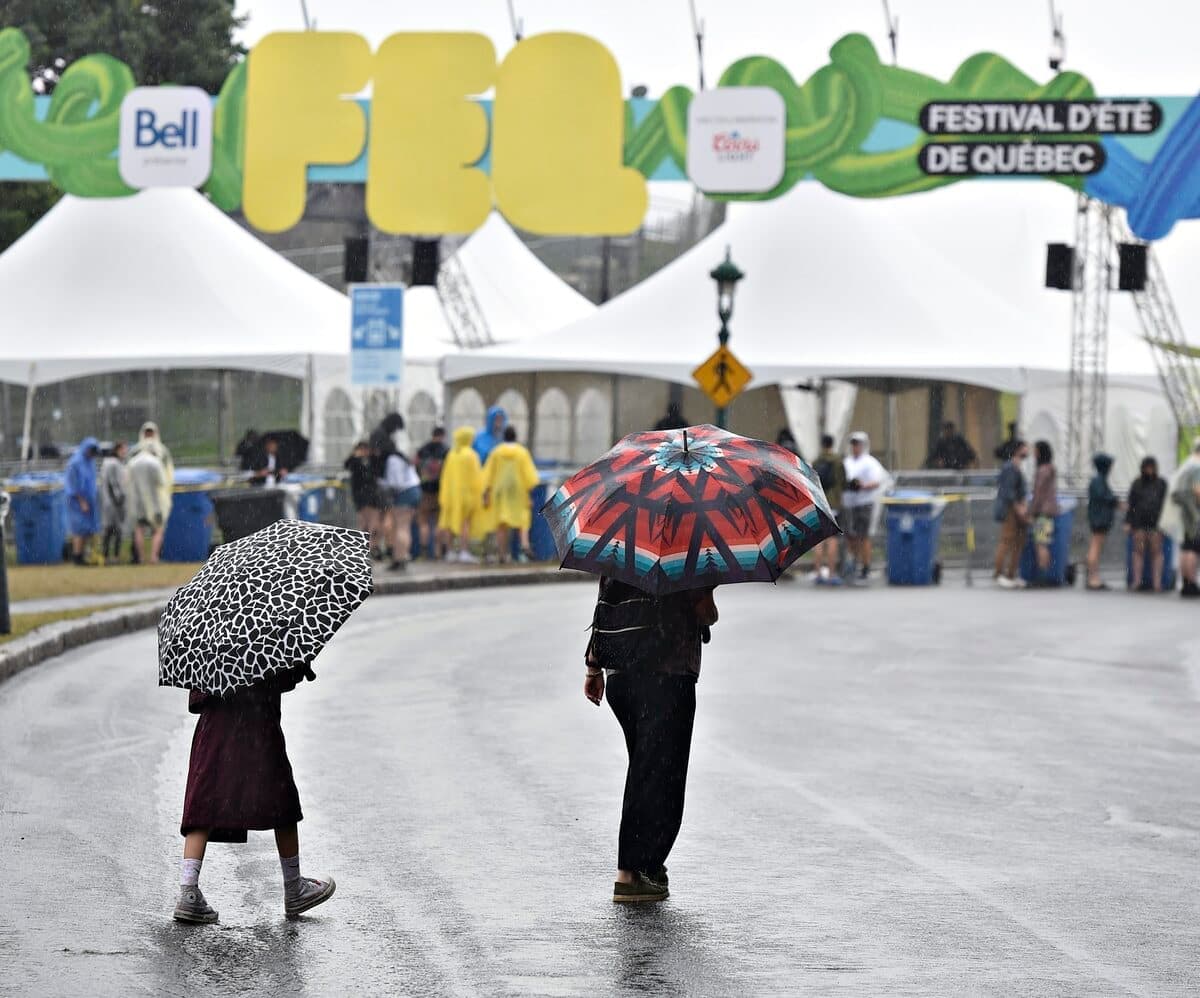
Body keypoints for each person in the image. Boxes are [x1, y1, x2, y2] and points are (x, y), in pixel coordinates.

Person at [583, 578, 719, 903]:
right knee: (662, 775)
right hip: (667, 673)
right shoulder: (689, 552)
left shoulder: (624, 540)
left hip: (621, 677)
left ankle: (647, 865)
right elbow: (703, 611)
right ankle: (632, 872)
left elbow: (605, 604)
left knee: (645, 766)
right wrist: (710, 607)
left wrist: (592, 666)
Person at [174, 665, 335, 924]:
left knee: (202, 807)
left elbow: (196, 699)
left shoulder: (207, 644)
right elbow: (283, 680)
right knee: (281, 802)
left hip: (213, 731)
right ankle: (294, 888)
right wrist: (299, 667)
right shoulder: (263, 641)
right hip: (258, 726)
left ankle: (188, 892)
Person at [481, 426, 540, 563]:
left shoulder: (496, 453)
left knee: (501, 523)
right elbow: (530, 476)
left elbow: (488, 474)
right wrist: (529, 493)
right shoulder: (522, 453)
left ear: (504, 437)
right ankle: (525, 545)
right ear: (515, 437)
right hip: (518, 491)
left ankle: (502, 554)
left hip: (500, 491)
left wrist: (487, 492)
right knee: (522, 520)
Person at [841, 431, 886, 580]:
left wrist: (862, 486)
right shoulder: (847, 462)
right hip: (849, 503)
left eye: (858, 445)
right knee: (850, 535)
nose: (855, 447)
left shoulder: (869, 462)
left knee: (863, 536)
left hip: (864, 503)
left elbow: (877, 482)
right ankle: (853, 562)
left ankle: (865, 566)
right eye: (853, 444)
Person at [438, 426, 483, 563]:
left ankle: (450, 551)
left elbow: (445, 475)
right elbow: (477, 477)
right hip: (467, 495)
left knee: (451, 522)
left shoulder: (452, 454)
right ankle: (463, 551)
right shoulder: (471, 455)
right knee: (465, 523)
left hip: (451, 494)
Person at [1126, 456, 1168, 592]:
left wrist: (1165, 524)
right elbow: (1131, 504)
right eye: (1147, 467)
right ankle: (1137, 581)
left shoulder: (1162, 483)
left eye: (1151, 467)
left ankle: (1157, 583)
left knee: (1156, 552)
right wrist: (1128, 522)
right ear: (1143, 468)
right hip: (1139, 523)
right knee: (1138, 551)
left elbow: (1166, 505)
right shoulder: (1137, 483)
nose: (1149, 470)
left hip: (1156, 524)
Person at [993, 439, 1030, 589]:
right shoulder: (1010, 467)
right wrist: (1018, 507)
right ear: (1017, 450)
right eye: (1024, 447)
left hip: (1017, 507)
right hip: (1011, 509)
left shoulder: (1016, 466)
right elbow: (1008, 491)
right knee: (1007, 540)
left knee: (1018, 542)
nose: (1027, 450)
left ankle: (1011, 573)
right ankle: (999, 573)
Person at [810, 434, 846, 584]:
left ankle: (818, 573)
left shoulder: (816, 461)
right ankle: (831, 574)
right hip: (833, 504)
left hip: (819, 502)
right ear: (832, 444)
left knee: (819, 540)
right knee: (832, 539)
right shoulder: (838, 461)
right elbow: (843, 481)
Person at [129, 442, 170, 565]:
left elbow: (127, 481)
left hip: (137, 503)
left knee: (139, 529)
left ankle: (141, 558)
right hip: (153, 502)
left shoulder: (133, 462)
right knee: (158, 529)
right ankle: (153, 557)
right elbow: (162, 482)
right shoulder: (155, 462)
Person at [1169, 438, 1200, 598]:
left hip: (1185, 514)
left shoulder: (1187, 464)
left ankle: (1186, 583)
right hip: (1195, 514)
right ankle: (1192, 583)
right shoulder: (1197, 467)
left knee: (1186, 547)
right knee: (1194, 549)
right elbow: (1197, 490)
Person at [1085, 453, 1120, 591]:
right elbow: (1105, 497)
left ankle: (1093, 576)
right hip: (1099, 518)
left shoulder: (1098, 480)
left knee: (1096, 547)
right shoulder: (1099, 481)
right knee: (1095, 547)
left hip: (1098, 518)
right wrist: (1115, 501)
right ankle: (1093, 578)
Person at [65, 437, 101, 566]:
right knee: (79, 529)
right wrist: (81, 501)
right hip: (77, 501)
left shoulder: (90, 461)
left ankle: (84, 556)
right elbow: (73, 484)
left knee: (88, 529)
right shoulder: (75, 463)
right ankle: (77, 556)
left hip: (90, 500)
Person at [384, 446, 421, 572]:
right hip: (413, 489)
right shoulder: (402, 458)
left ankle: (400, 558)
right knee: (405, 527)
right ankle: (403, 555)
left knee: (401, 527)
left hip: (404, 492)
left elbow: (397, 482)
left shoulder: (392, 459)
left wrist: (386, 487)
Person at [344, 440, 383, 557]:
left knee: (373, 522)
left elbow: (379, 471)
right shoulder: (355, 462)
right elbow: (346, 465)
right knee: (364, 522)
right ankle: (367, 547)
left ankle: (374, 546)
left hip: (372, 494)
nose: (364, 452)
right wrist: (355, 456)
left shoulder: (373, 460)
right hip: (360, 494)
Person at [1029, 440, 1059, 585]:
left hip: (1042, 512)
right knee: (1044, 542)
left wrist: (1032, 510)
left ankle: (1042, 575)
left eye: (1035, 450)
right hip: (1049, 511)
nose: (1033, 453)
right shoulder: (1051, 469)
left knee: (1040, 543)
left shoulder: (1042, 471)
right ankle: (1045, 573)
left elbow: (1038, 494)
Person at [416, 427, 449, 560]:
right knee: (439, 522)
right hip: (440, 491)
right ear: (443, 435)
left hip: (424, 491)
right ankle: (438, 552)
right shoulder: (446, 450)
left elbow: (416, 467)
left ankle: (423, 552)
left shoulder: (423, 450)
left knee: (423, 522)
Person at [99, 441, 129, 564]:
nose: (125, 453)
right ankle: (113, 557)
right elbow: (113, 483)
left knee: (108, 530)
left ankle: (106, 556)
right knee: (115, 530)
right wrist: (119, 499)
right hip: (114, 503)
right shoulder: (113, 464)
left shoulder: (107, 463)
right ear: (117, 450)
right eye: (123, 450)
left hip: (107, 502)